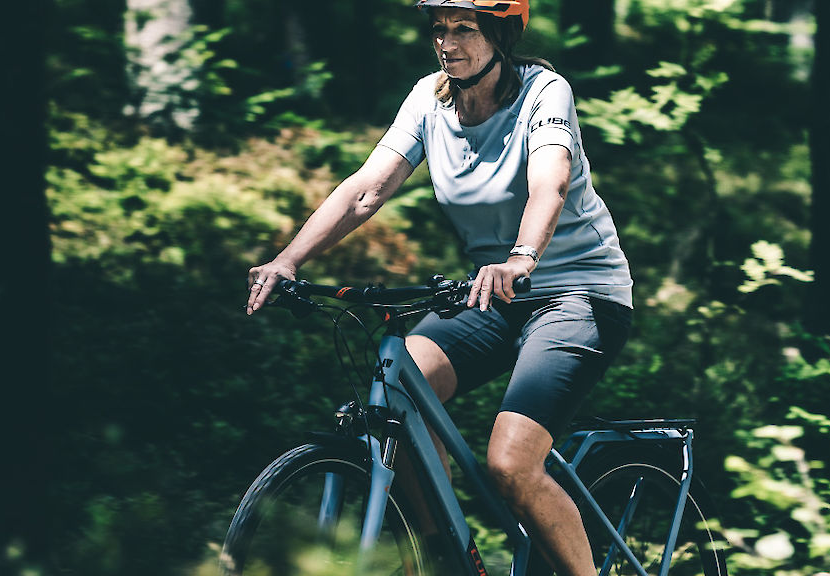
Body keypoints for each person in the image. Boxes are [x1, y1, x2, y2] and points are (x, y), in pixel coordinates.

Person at [243, 1, 632, 573]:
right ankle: (445, 561)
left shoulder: (544, 92)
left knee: (511, 465)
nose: (447, 43)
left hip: (578, 293)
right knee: (395, 400)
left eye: (464, 29)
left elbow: (548, 183)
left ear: (500, 35)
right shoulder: (429, 99)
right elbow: (365, 190)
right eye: (439, 30)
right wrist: (288, 260)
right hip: (493, 294)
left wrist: (521, 258)